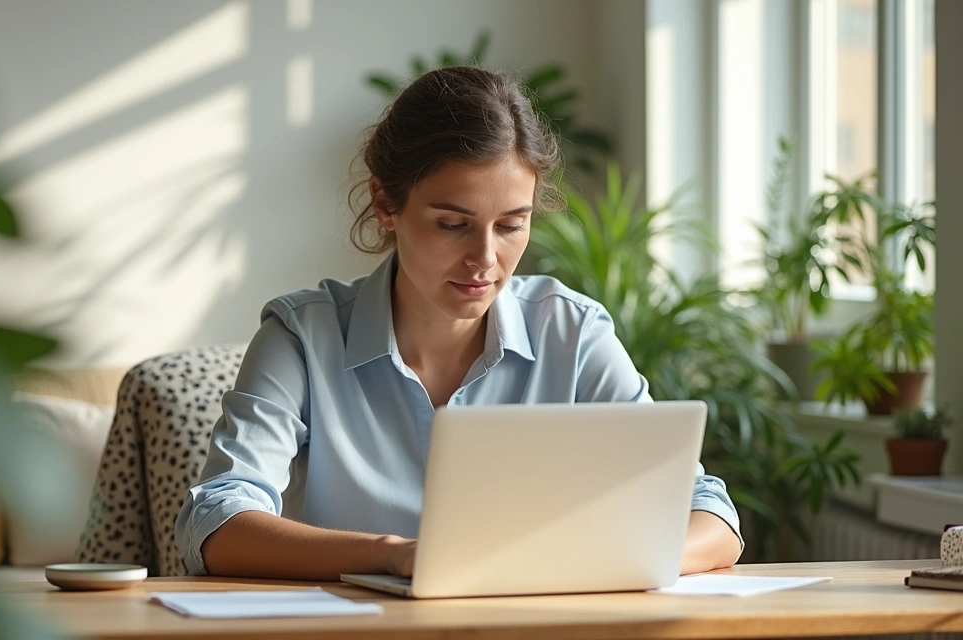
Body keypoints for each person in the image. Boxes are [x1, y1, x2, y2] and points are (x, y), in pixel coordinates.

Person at [174, 66, 743, 580]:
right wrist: (394, 554)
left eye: (511, 225)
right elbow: (217, 521)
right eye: (453, 224)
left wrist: (597, 561)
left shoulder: (571, 333)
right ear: (385, 204)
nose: (485, 259)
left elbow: (709, 513)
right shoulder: (301, 336)